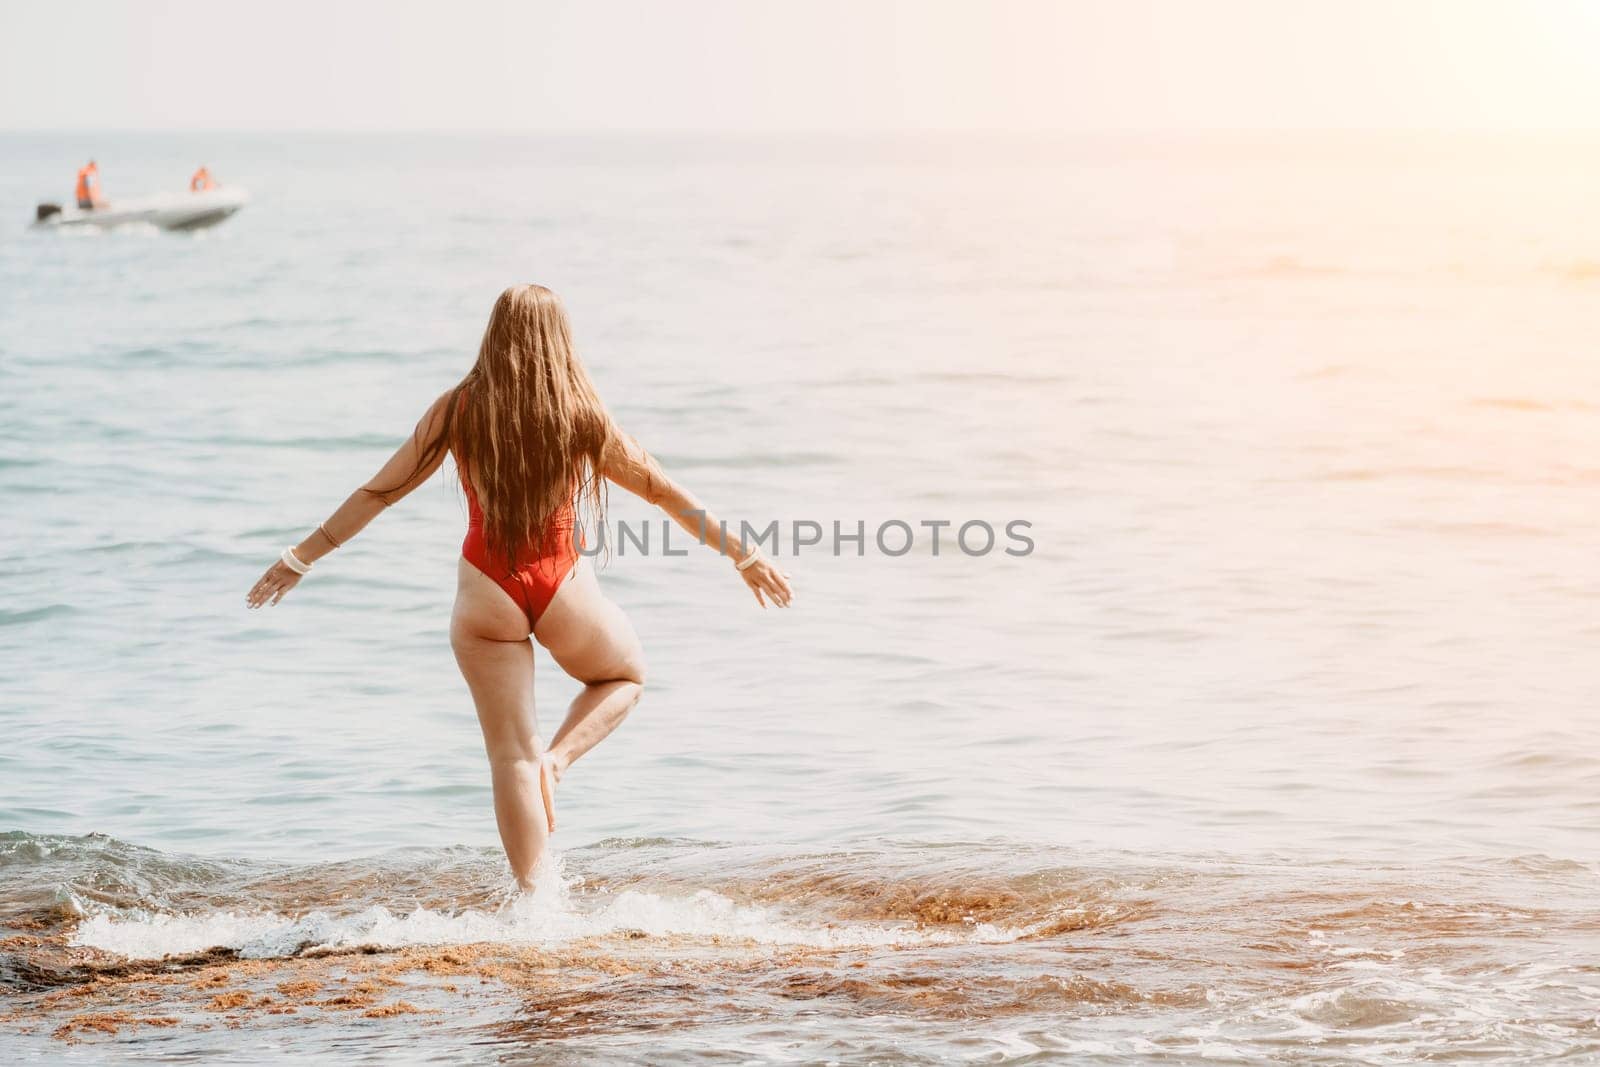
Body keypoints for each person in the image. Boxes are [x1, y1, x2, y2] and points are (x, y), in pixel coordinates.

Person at [245, 284, 794, 889]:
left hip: (486, 588)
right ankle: (557, 762)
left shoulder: (458, 409)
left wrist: (300, 558)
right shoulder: (580, 413)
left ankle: (536, 904)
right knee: (626, 676)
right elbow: (663, 491)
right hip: (564, 586)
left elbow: (382, 490)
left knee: (510, 757)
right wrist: (743, 554)